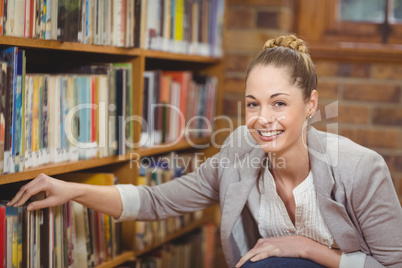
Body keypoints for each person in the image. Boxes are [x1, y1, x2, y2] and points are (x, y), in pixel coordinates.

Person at [8, 35, 402, 268]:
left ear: (311, 105)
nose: (263, 118)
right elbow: (156, 200)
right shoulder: (240, 153)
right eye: (252, 104)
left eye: (279, 103)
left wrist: (311, 249)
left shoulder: (360, 168)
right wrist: (75, 190)